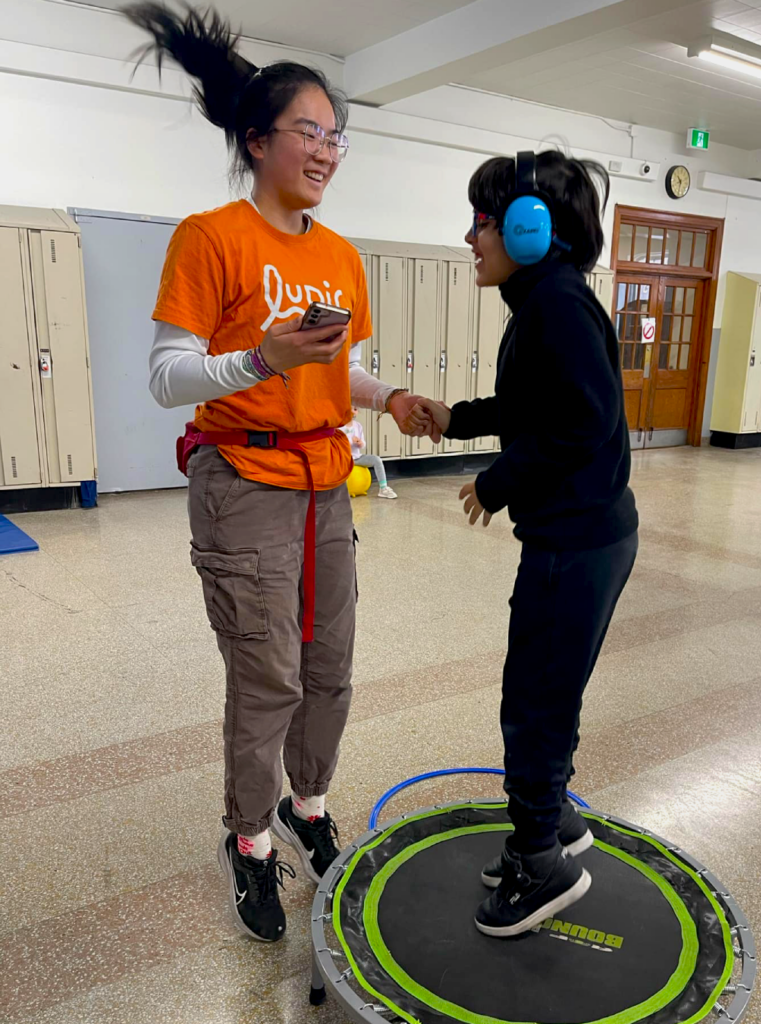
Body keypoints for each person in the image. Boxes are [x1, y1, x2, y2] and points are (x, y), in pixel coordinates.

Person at [126, 2, 438, 944]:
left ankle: (307, 803)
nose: (328, 150)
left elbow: (333, 367)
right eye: (310, 131)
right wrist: (262, 360)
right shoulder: (209, 236)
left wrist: (387, 400)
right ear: (256, 140)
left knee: (327, 669)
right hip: (245, 485)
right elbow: (165, 378)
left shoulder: (339, 255)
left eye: (336, 137)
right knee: (267, 678)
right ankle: (249, 840)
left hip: (322, 488)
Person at [421, 150, 639, 938]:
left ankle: (542, 863)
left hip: (575, 543)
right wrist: (453, 418)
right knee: (548, 689)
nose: (469, 238)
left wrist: (495, 481)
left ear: (525, 227)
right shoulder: (547, 300)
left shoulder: (552, 305)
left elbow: (579, 424)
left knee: (534, 702)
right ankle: (552, 826)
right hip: (586, 534)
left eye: (480, 222)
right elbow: (532, 404)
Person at [341, 407, 398, 499]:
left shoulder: (358, 425)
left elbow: (363, 444)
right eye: (351, 409)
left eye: (355, 409)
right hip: (342, 459)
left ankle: (383, 488)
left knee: (376, 460)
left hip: (357, 458)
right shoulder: (338, 426)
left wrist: (360, 443)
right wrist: (350, 442)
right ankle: (337, 492)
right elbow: (336, 444)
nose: (353, 412)